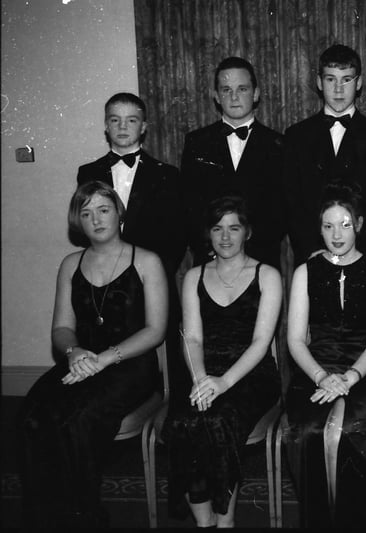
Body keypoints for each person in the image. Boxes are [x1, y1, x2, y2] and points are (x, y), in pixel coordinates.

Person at [17, 180, 167, 528]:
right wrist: (74, 352)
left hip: (130, 363)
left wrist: (104, 359)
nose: (96, 219)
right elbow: (61, 329)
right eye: (86, 213)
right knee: (30, 416)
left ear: (118, 213)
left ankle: (84, 514)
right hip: (81, 360)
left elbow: (155, 330)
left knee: (79, 419)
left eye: (103, 209)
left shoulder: (146, 260)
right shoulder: (70, 264)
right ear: (77, 222)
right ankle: (45, 516)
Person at [162, 196, 282, 528]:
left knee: (218, 421)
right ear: (208, 234)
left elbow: (261, 342)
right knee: (184, 422)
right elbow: (193, 338)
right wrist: (201, 379)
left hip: (250, 374)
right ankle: (204, 522)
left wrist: (223, 382)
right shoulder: (193, 276)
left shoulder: (267, 275)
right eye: (217, 229)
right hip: (202, 369)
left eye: (234, 228)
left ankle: (225, 521)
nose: (225, 237)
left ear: (247, 232)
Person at [284, 184, 366, 528]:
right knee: (308, 431)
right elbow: (296, 339)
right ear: (319, 228)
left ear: (359, 225)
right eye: (329, 225)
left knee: (353, 430)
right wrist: (321, 377)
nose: (337, 234)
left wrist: (349, 378)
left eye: (345, 224)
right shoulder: (305, 272)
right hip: (314, 368)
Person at [77, 91, 189, 405]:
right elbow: (88, 229)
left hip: (149, 282)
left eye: (131, 120)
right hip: (104, 283)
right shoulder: (88, 173)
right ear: (105, 127)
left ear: (143, 127)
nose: (123, 127)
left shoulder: (167, 175)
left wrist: (145, 275)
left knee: (167, 365)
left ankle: (169, 416)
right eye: (115, 120)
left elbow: (176, 237)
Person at [283, 44, 366, 266]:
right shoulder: (297, 136)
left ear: (358, 82)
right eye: (331, 79)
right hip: (312, 256)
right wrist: (314, 251)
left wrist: (355, 254)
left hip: (362, 256)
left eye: (346, 79)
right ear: (319, 83)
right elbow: (292, 203)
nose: (339, 89)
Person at [181, 56, 286, 270]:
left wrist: (249, 252)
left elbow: (281, 209)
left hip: (260, 260)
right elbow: (189, 205)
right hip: (211, 259)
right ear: (216, 96)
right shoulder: (197, 142)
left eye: (243, 89)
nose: (234, 97)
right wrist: (211, 247)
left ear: (256, 94)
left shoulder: (278, 144)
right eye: (226, 90)